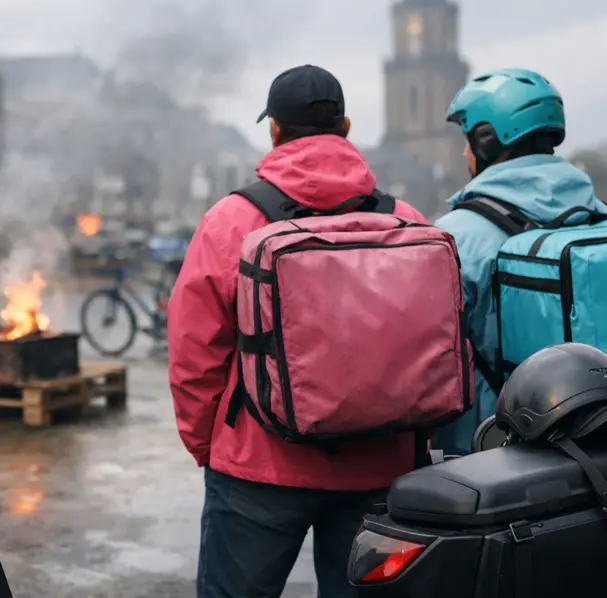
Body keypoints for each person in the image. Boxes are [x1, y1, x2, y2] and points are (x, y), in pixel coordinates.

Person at [168, 65, 429, 598]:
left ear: (274, 132)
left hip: (257, 467)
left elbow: (195, 353)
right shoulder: (407, 222)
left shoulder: (232, 220)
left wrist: (210, 445)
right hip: (378, 467)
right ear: (347, 127)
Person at [431, 68, 607, 456]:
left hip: (493, 454)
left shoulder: (453, 237)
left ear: (486, 140)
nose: (464, 152)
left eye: (467, 140)